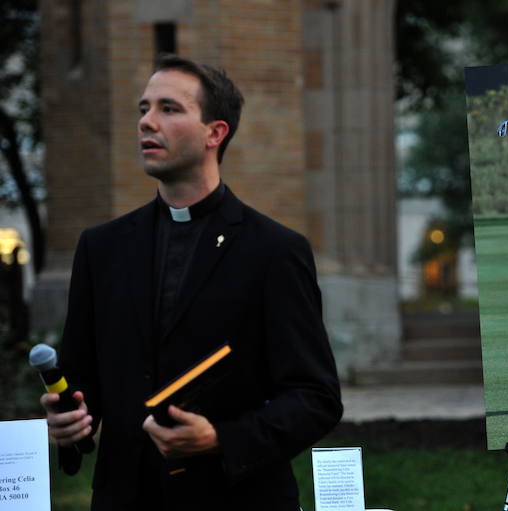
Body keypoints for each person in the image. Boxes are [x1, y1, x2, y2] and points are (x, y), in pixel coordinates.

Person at [39, 55, 343, 510]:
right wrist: (70, 425)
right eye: (143, 108)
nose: (147, 121)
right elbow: (84, 385)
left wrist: (222, 438)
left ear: (214, 133)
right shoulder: (100, 248)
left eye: (169, 108)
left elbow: (315, 397)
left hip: (235, 499)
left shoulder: (274, 251)